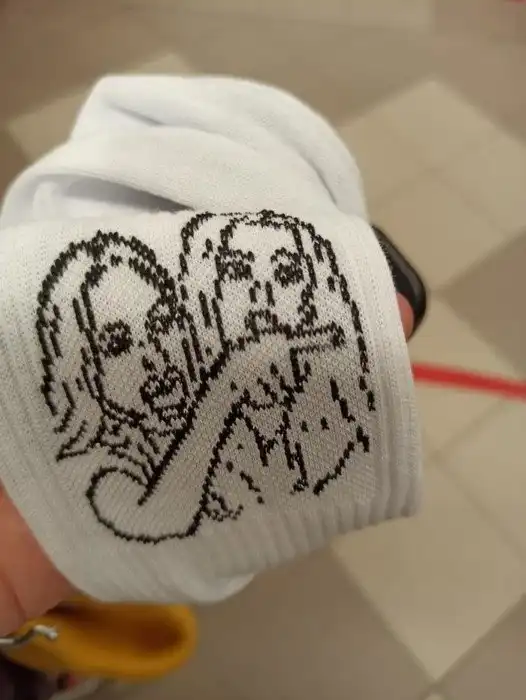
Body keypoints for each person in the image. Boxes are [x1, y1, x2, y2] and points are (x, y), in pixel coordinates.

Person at [0, 75, 423, 696]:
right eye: (115, 342)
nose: (152, 360)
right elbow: (139, 506)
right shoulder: (103, 466)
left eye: (160, 326)